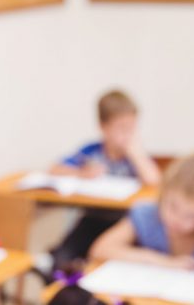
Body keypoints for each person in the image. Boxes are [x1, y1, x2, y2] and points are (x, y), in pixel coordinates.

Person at [46, 90, 161, 272]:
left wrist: (136, 153)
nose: (127, 134)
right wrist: (81, 173)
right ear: (103, 127)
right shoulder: (92, 152)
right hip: (93, 219)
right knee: (61, 258)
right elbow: (54, 169)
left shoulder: (135, 156)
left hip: (125, 225)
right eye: (121, 128)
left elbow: (154, 181)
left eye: (132, 128)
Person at [90, 153, 194, 279]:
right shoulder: (148, 215)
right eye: (172, 206)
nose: (177, 219)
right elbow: (100, 249)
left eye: (191, 215)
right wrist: (162, 262)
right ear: (164, 191)